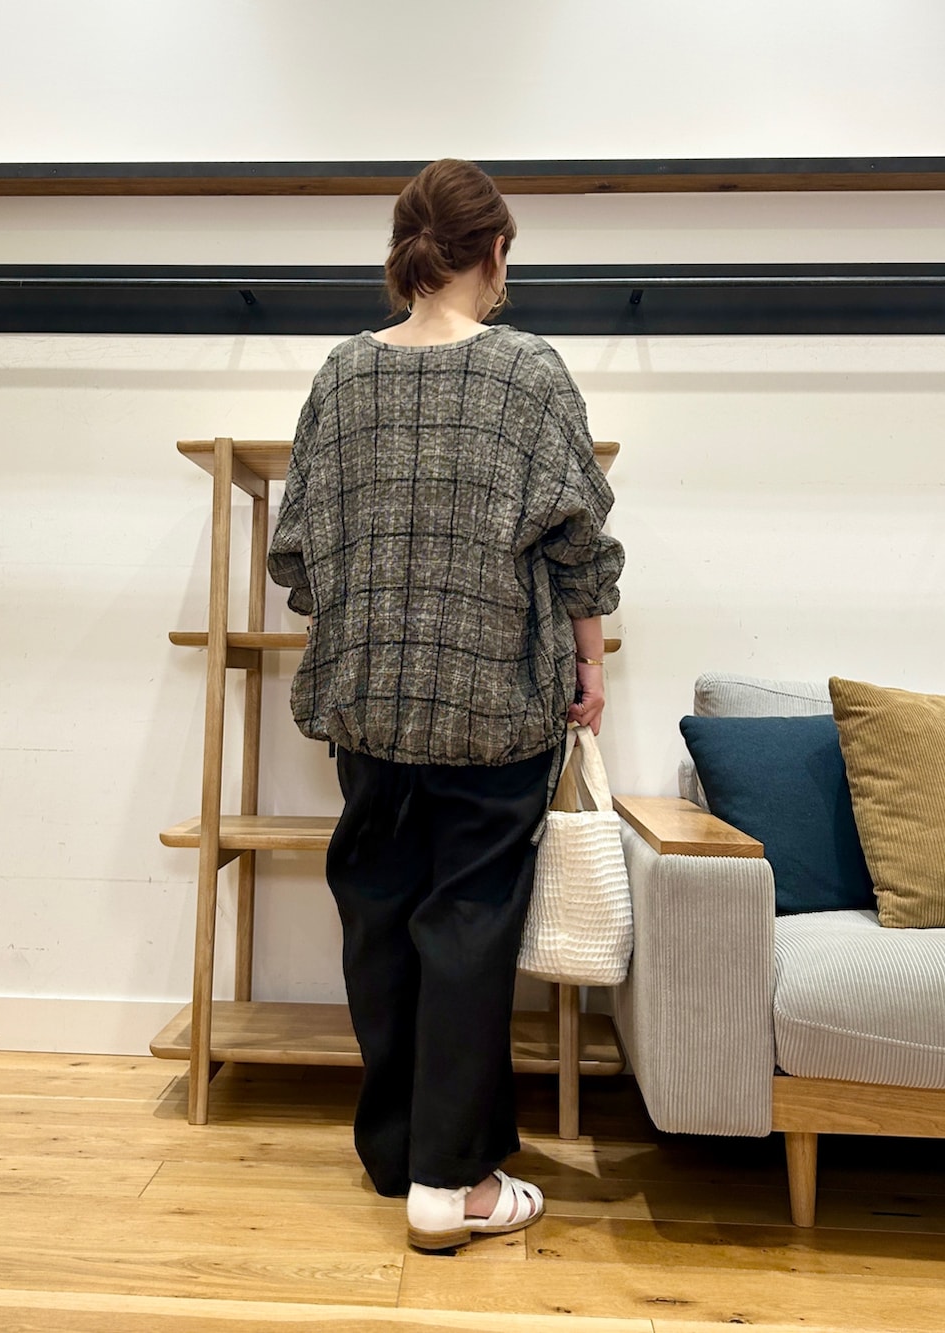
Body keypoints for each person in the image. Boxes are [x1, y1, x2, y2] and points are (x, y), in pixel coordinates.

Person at [268, 158, 624, 1251]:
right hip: (491, 701)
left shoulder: (342, 373)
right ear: (496, 252)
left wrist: (375, 616)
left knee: (380, 914)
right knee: (468, 924)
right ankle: (452, 1181)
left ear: (406, 252)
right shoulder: (527, 372)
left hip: (368, 701)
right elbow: (578, 545)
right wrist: (590, 662)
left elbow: (298, 551)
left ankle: (397, 1153)